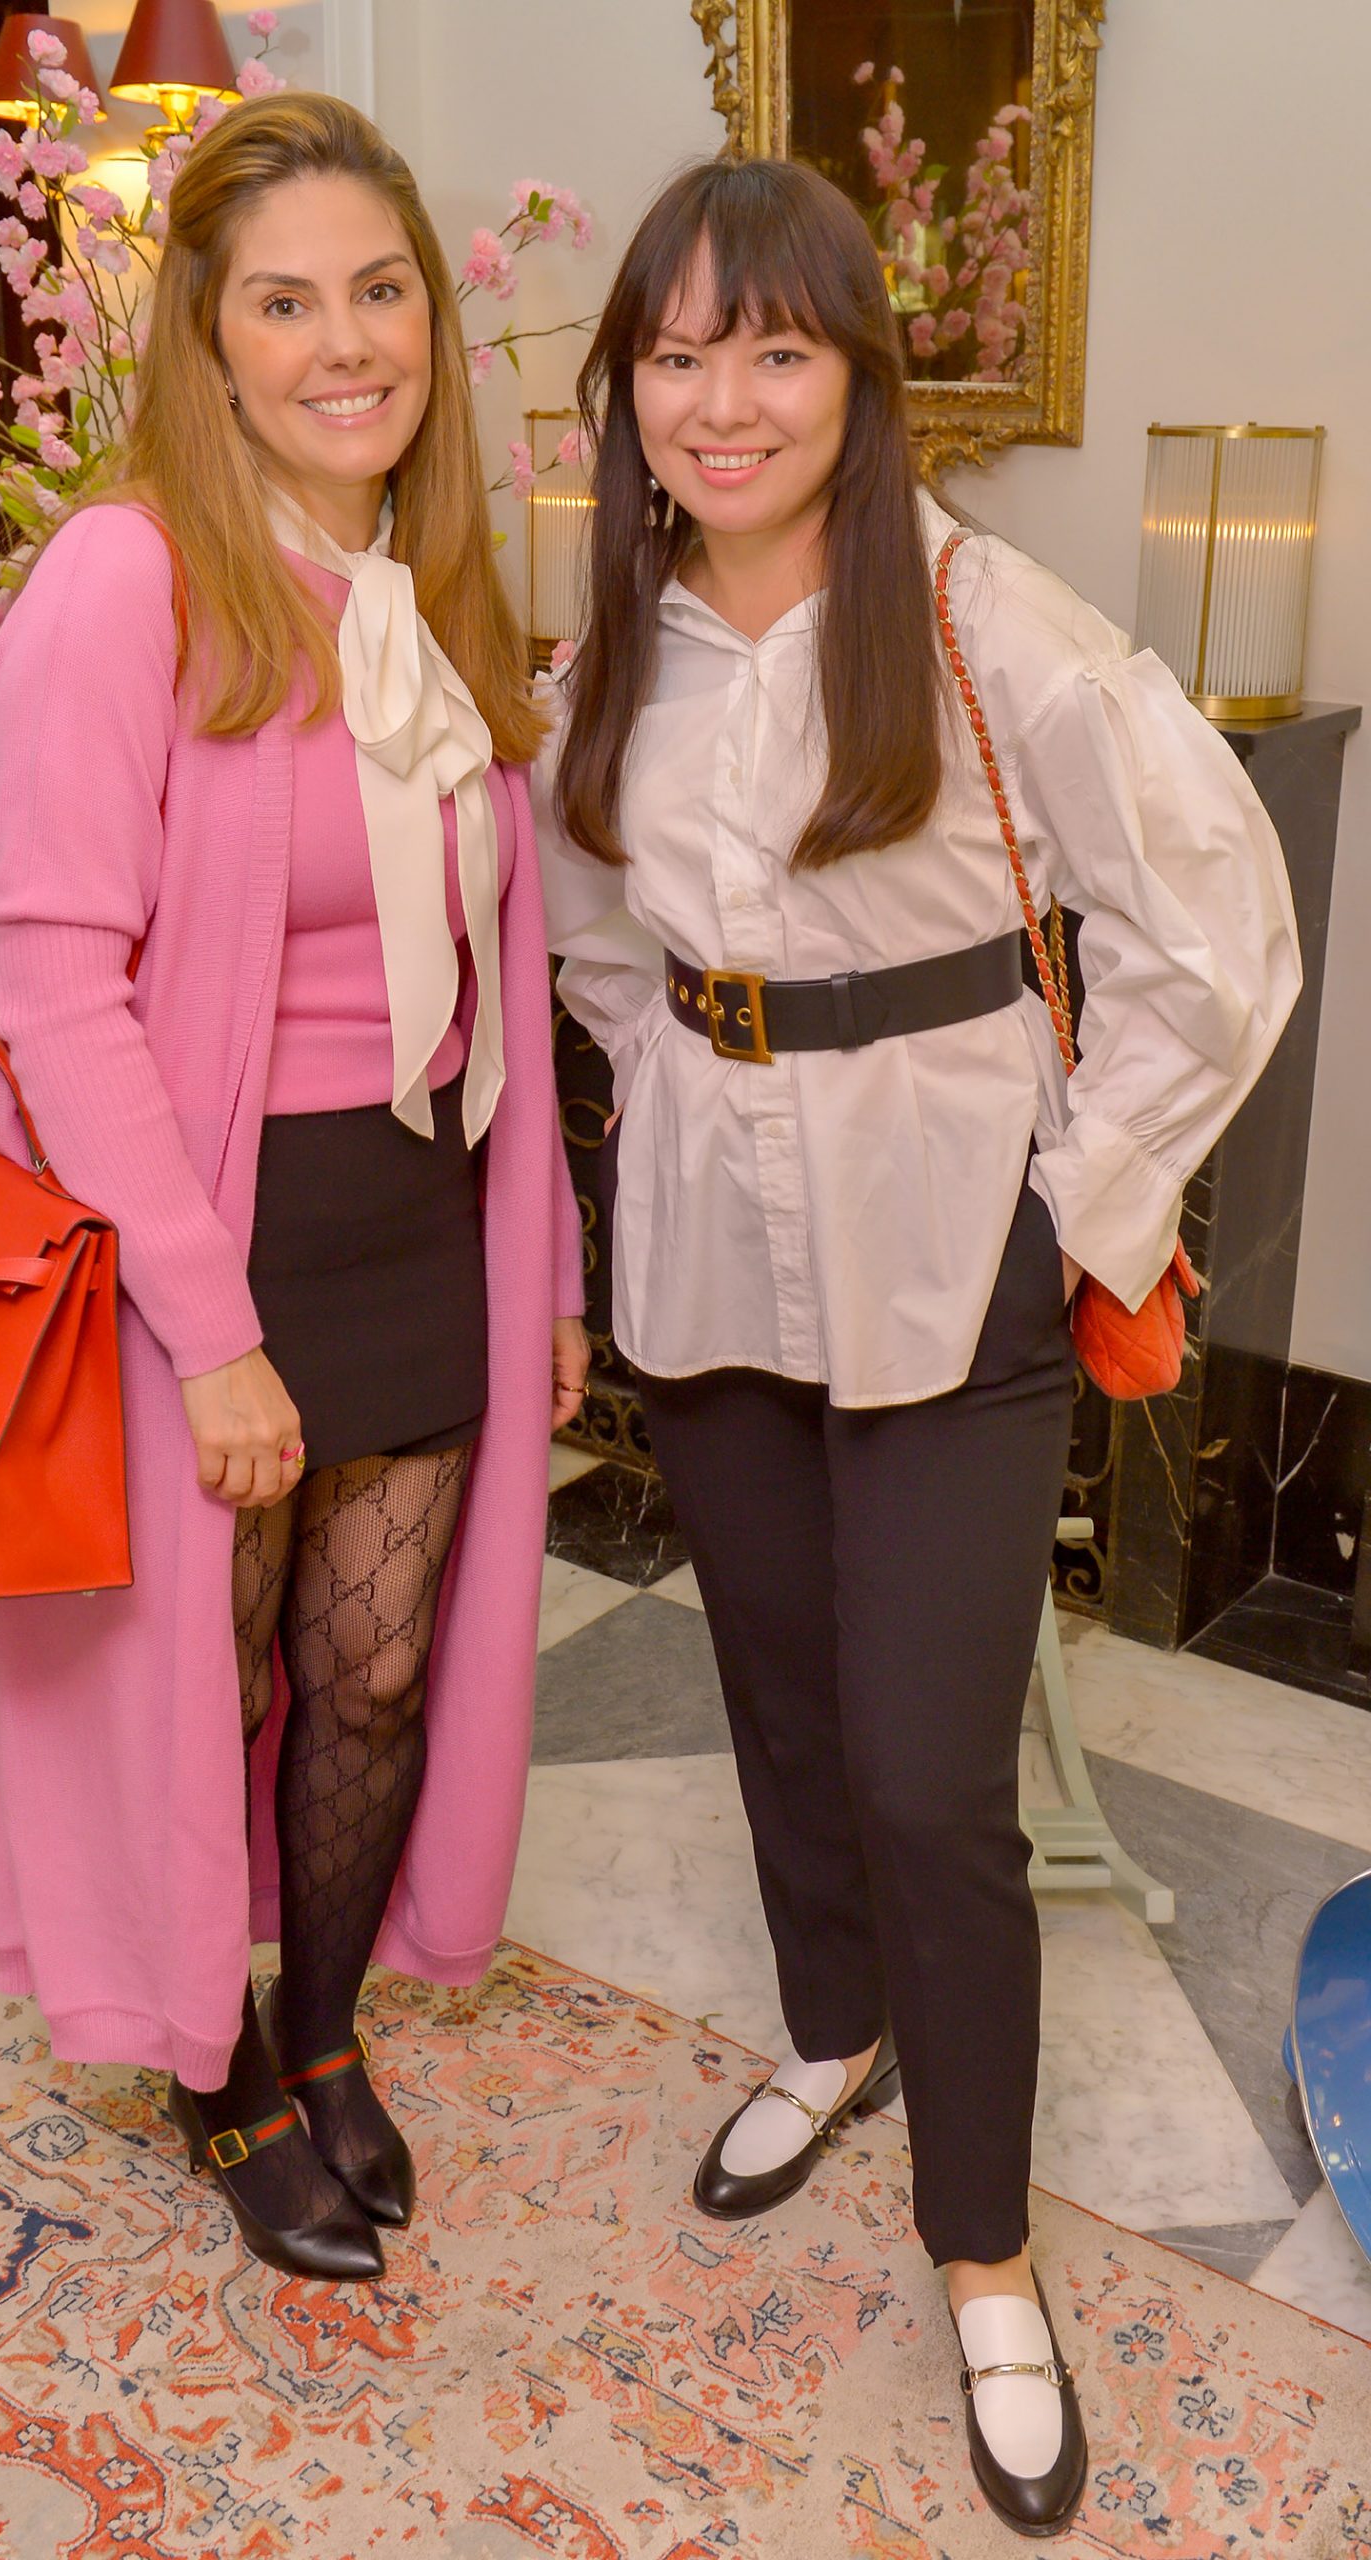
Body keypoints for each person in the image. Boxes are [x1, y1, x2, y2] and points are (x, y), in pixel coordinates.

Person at [536, 156, 1299, 2538]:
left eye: (771, 348)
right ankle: (830, 2028)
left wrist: (1079, 1190)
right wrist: (675, 1092)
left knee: (925, 1767)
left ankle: (980, 2248)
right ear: (625, 390)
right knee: (773, 1692)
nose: (719, 400)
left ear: (859, 376)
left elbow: (1215, 930)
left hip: (949, 1260)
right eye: (674, 353)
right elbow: (585, 928)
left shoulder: (988, 620)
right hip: (706, 1258)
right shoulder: (614, 643)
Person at [0, 92, 588, 2284]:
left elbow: (503, 972)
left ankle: (321, 2031)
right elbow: (52, 982)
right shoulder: (125, 577)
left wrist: (544, 1266)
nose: (347, 344)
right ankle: (211, 2066)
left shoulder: (428, 591)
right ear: (210, 345)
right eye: (286, 303)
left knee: (371, 1672)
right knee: (203, 1683)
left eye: (380, 292)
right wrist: (207, 1329)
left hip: (417, 1216)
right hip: (206, 1234)